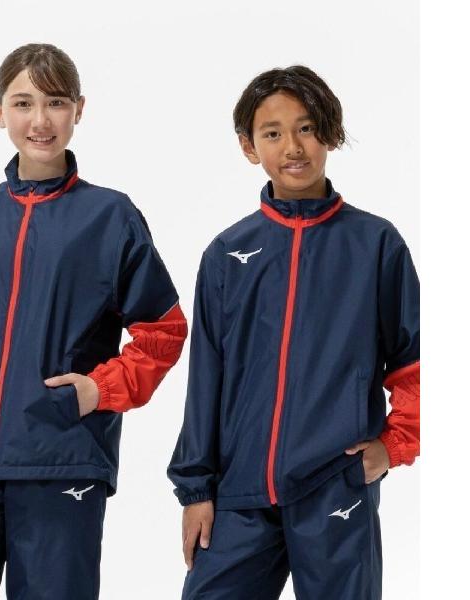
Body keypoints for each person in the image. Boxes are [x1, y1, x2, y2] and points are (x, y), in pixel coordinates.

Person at [0, 43, 187, 599]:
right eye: (23, 103)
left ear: (78, 109)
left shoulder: (110, 217)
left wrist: (98, 389)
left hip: (63, 461)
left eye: (56, 102)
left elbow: (163, 332)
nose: (40, 120)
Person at [167, 65, 419, 599]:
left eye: (306, 128)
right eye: (273, 133)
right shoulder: (227, 254)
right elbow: (206, 379)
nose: (293, 147)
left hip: (336, 486)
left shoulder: (375, 245)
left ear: (330, 132)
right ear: (249, 146)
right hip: (239, 494)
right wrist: (195, 489)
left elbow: (415, 363)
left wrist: (394, 445)